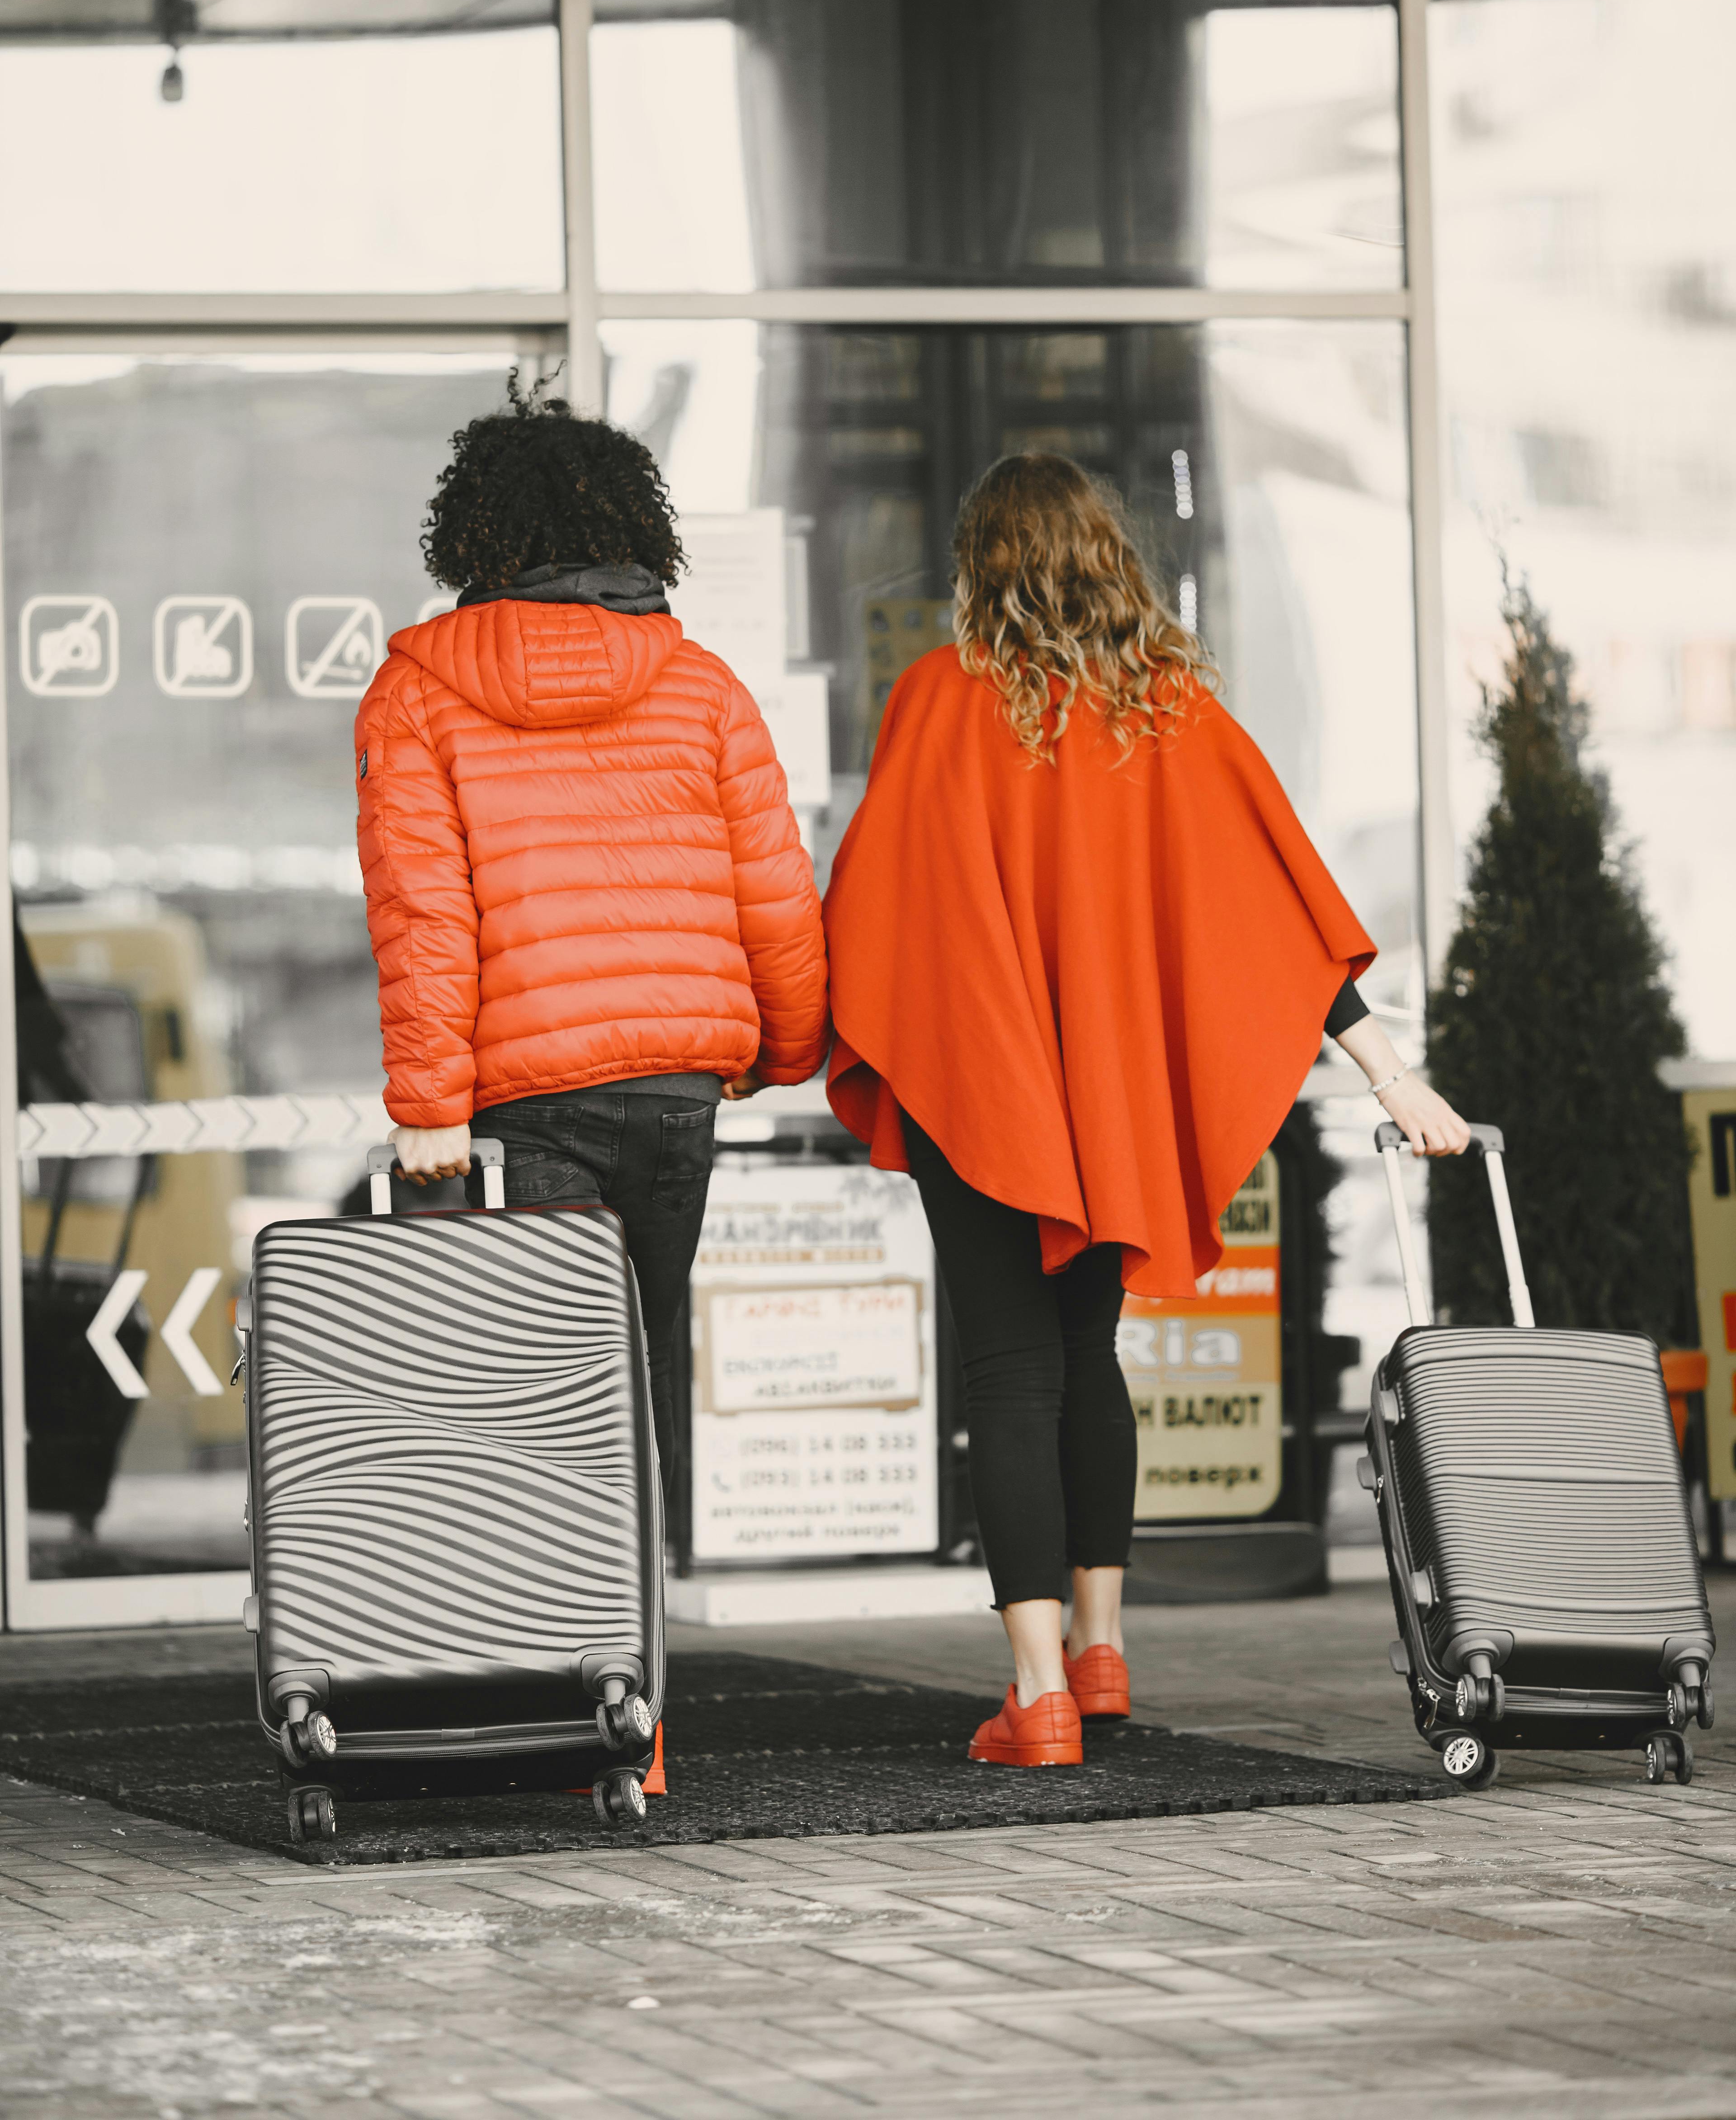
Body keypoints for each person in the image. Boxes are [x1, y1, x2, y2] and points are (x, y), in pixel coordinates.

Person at [822, 453, 1469, 1769]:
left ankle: (1038, 1694)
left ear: (978, 567)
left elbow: (879, 911)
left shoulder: (936, 702)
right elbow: (1283, 915)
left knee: (1009, 1373)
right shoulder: (1173, 715)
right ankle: (1105, 1655)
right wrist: (1390, 1074)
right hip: (1102, 1106)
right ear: (1113, 562)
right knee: (1084, 1361)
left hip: (983, 1090)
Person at [354, 378, 830, 1500]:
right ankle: (633, 1659)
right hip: (674, 1089)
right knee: (641, 1367)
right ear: (630, 525)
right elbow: (774, 889)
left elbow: (426, 913)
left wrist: (430, 1107)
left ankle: (560, 1644)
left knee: (543, 1381)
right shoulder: (704, 688)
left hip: (524, 1102)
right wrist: (785, 1050)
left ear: (475, 530)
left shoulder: (415, 696)